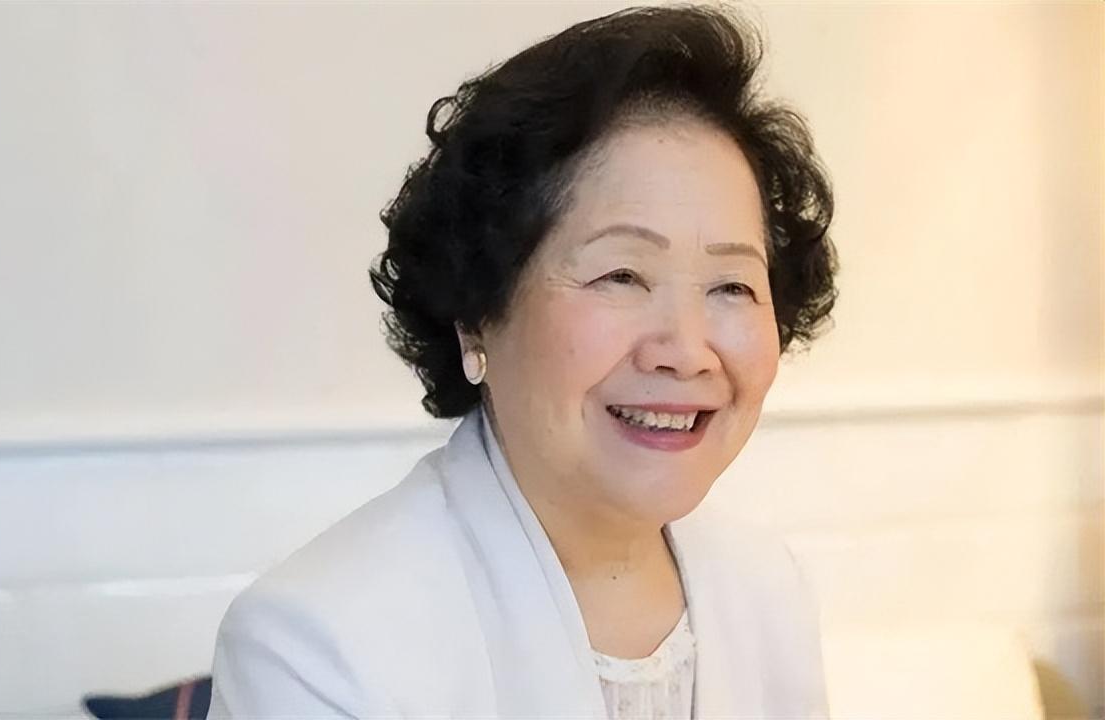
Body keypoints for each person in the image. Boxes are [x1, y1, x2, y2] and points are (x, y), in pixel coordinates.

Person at [208, 4, 837, 718]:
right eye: (621, 276)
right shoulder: (318, 645)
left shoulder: (767, 590)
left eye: (732, 286)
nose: (687, 352)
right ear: (478, 311)